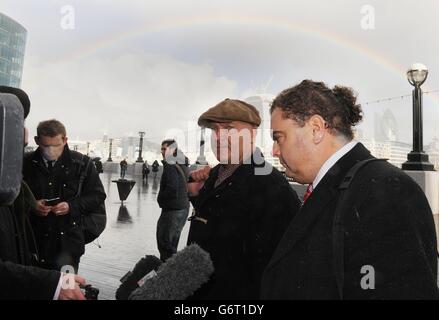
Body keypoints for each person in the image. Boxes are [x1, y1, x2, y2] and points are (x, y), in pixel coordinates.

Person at [261, 80, 439, 299]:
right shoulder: (348, 185)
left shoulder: (386, 190)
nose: (274, 150)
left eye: (279, 137)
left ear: (316, 129)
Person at [187, 98, 301, 299]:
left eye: (229, 128)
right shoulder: (213, 176)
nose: (220, 137)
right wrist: (196, 196)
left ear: (252, 134)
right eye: (215, 130)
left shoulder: (272, 188)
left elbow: (280, 273)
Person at [0, 87, 85, 300]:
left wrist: (77, 234)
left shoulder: (81, 164)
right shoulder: (24, 169)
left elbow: (17, 254)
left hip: (64, 249)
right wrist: (52, 284)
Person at [23, 119, 107, 273]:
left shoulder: (83, 164)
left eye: (56, 146)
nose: (51, 150)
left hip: (68, 247)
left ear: (65, 140)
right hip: (33, 244)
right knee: (35, 287)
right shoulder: (25, 163)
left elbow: (98, 196)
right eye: (45, 145)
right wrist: (32, 204)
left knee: (67, 289)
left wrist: (71, 206)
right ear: (37, 141)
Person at [156, 140, 190, 261]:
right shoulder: (182, 163)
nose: (162, 152)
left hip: (172, 210)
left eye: (165, 149)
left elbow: (172, 187)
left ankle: (167, 275)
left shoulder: (170, 164)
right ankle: (171, 274)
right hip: (182, 208)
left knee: (165, 244)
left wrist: (160, 199)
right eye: (162, 149)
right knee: (171, 246)